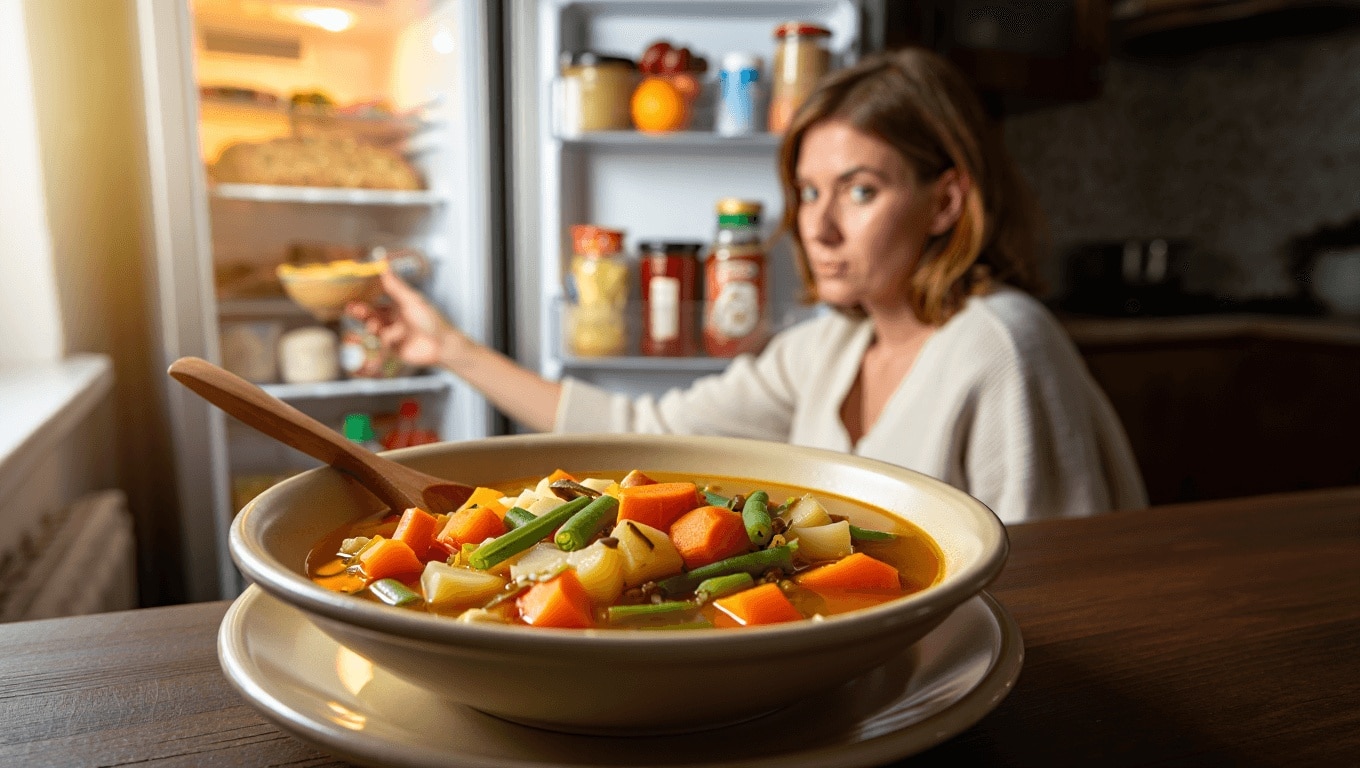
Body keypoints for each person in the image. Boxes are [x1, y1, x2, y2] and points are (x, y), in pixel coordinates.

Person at [348, 47, 1147, 524]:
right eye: (808, 192)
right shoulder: (830, 346)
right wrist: (443, 347)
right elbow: (637, 430)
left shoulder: (1001, 344)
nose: (819, 227)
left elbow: (1058, 579)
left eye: (861, 191)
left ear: (945, 200)